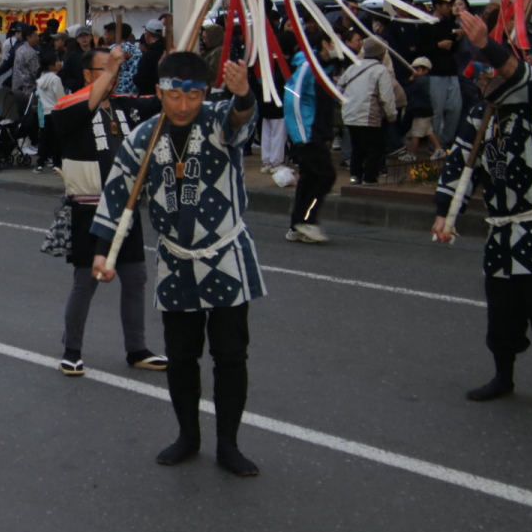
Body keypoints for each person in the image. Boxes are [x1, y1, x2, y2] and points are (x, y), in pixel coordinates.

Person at [91, 53, 265, 477]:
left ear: (206, 93)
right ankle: (188, 434)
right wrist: (102, 248)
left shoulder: (219, 121)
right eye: (174, 95)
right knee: (182, 356)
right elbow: (118, 190)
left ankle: (229, 443)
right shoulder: (145, 137)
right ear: (159, 92)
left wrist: (243, 93)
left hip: (224, 253)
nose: (183, 105)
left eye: (193, 95)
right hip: (175, 258)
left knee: (230, 355)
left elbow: (242, 120)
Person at [433, 11, 532, 402]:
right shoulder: (483, 113)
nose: (480, 80)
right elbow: (462, 162)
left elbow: (520, 76)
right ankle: (504, 376)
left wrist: (487, 45)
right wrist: (446, 210)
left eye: (486, 73)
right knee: (502, 315)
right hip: (501, 232)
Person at [50, 46, 165, 376]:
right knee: (86, 281)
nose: (113, 77)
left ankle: (137, 347)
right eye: (105, 70)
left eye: (115, 71)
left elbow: (162, 105)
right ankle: (72, 350)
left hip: (125, 209)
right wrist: (112, 69)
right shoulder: (67, 107)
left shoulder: (124, 106)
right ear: (87, 75)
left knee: (135, 278)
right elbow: (82, 104)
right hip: (88, 207)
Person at [284, 34, 343, 244]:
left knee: (309, 179)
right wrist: (301, 136)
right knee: (325, 176)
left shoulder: (325, 67)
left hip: (316, 131)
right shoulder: (308, 66)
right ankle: (306, 221)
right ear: (326, 44)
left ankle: (297, 225)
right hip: (307, 134)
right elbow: (293, 98)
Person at [339, 38, 397, 185]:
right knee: (374, 148)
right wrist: (391, 115)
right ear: (381, 53)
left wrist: (347, 103)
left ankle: (355, 177)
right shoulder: (380, 70)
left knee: (357, 147)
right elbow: (386, 96)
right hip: (368, 114)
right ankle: (369, 179)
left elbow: (338, 87)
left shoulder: (353, 67)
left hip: (349, 114)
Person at [422, 0, 463, 147]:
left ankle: (446, 141)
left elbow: (452, 48)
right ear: (437, 6)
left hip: (451, 70)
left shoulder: (450, 23)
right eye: (447, 5)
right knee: (437, 111)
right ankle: (435, 145)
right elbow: (420, 49)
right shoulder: (427, 24)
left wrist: (457, 39)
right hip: (435, 72)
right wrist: (437, 45)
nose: (450, 8)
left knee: (455, 108)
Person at [402, 57, 444, 160]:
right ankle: (439, 150)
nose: (414, 71)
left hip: (421, 110)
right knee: (428, 131)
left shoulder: (421, 80)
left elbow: (408, 90)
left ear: (425, 70)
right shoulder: (423, 79)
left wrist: (410, 80)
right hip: (423, 110)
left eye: (417, 69)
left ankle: (411, 154)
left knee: (416, 133)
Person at [33, 51, 65, 172]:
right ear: (51, 66)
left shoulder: (40, 79)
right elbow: (61, 98)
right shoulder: (55, 79)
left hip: (46, 112)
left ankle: (40, 163)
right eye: (56, 61)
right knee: (58, 139)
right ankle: (56, 163)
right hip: (57, 111)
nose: (59, 63)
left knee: (46, 138)